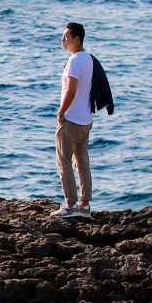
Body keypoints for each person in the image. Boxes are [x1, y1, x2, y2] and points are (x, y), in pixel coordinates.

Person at [55, 22, 96, 217]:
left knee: (64, 162)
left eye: (66, 37)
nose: (62, 40)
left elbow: (71, 91)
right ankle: (85, 206)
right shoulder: (87, 58)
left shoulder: (74, 62)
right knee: (82, 163)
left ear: (76, 39)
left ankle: (70, 205)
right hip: (85, 120)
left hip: (71, 120)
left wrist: (61, 112)